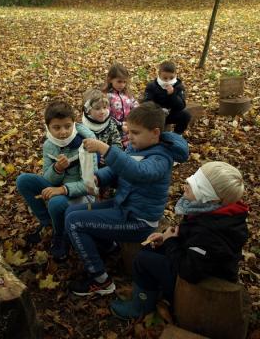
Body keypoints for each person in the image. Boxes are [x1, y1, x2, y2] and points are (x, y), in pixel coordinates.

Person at [65, 101, 189, 296]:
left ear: (155, 132)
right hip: (122, 206)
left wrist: (105, 149)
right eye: (129, 131)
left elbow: (138, 172)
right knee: (72, 211)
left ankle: (100, 279)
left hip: (138, 220)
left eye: (136, 133)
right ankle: (108, 246)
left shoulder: (161, 158)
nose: (129, 137)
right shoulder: (136, 147)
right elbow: (118, 170)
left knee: (74, 222)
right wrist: (99, 177)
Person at [110, 161, 249, 320]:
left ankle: (140, 307)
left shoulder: (212, 232)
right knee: (151, 249)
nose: (188, 181)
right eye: (194, 176)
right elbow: (194, 235)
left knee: (143, 260)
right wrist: (165, 237)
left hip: (205, 280)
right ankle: (152, 289)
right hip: (199, 262)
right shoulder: (213, 213)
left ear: (210, 197)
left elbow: (190, 270)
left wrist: (170, 242)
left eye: (198, 183)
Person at [16, 100, 97, 262]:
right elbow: (47, 177)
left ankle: (60, 235)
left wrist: (63, 190)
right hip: (57, 188)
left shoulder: (86, 144)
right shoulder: (49, 145)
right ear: (48, 128)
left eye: (67, 126)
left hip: (80, 196)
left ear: (74, 124)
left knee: (56, 202)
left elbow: (90, 184)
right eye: (57, 128)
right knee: (24, 180)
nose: (63, 132)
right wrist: (57, 169)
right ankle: (48, 223)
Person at [143, 61, 191, 135]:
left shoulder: (178, 86)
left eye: (171, 78)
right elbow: (147, 102)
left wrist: (172, 95)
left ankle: (177, 135)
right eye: (165, 78)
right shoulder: (152, 86)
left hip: (170, 115)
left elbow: (181, 106)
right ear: (159, 75)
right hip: (155, 115)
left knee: (186, 115)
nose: (168, 81)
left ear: (175, 75)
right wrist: (159, 110)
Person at [82, 89, 123, 166]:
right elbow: (81, 147)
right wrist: (96, 156)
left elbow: (117, 142)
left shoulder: (110, 123)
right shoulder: (82, 126)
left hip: (109, 159)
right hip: (90, 162)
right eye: (97, 108)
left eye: (104, 107)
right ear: (88, 110)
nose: (102, 111)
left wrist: (110, 155)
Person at [105, 62, 139, 147]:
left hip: (129, 128)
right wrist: (120, 125)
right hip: (114, 130)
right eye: (119, 81)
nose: (122, 85)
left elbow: (135, 105)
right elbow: (106, 115)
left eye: (124, 82)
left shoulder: (127, 94)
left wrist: (139, 113)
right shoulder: (107, 96)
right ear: (110, 79)